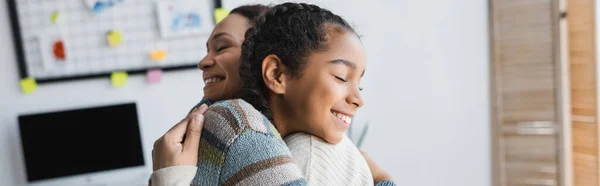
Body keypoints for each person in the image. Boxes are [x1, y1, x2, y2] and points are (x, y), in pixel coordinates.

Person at [151, 3, 395, 186]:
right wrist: (382, 177)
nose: (204, 62)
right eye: (341, 77)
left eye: (223, 46)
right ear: (276, 73)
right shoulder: (242, 125)